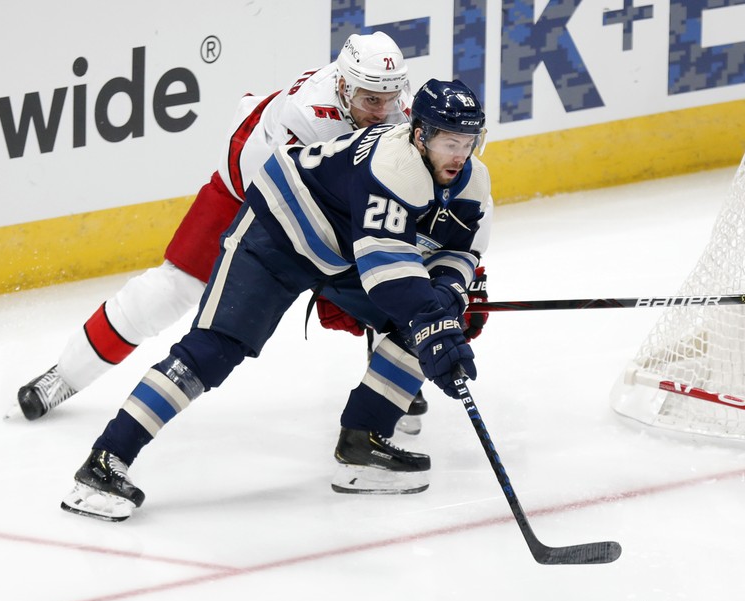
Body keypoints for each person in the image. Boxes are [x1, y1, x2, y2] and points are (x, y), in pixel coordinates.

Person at [59, 78, 491, 521]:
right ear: (420, 135)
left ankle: (363, 444)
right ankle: (104, 462)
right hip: (279, 229)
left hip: (341, 250)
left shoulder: (473, 183)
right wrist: (435, 320)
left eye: (468, 142)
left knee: (422, 322)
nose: (460, 154)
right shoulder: (394, 164)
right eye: (449, 141)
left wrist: (448, 301)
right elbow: (388, 273)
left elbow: (459, 253)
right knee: (212, 350)